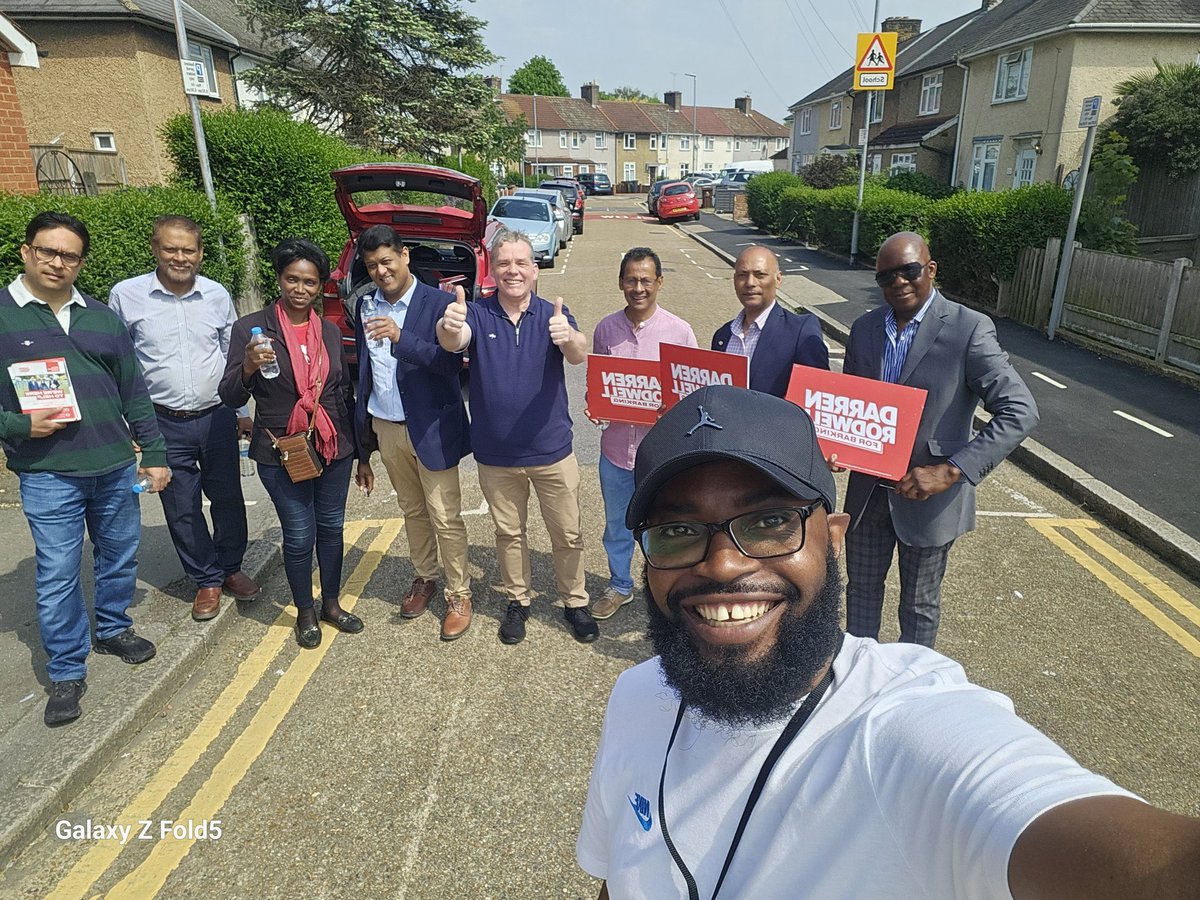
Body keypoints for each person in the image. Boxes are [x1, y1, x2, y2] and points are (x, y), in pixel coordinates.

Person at [577, 385, 1200, 899]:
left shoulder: (904, 729)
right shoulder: (636, 695)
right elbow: (619, 879)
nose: (719, 565)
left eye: (770, 521)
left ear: (836, 537)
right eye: (678, 530)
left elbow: (1121, 855)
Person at [0, 212, 170, 727]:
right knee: (56, 574)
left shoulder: (102, 317)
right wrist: (18, 424)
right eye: (48, 251)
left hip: (115, 464)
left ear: (80, 262)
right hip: (48, 472)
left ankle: (113, 626)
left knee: (120, 553)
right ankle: (67, 669)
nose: (57, 262)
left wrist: (155, 453)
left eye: (69, 255)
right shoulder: (4, 316)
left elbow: (134, 391)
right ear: (26, 252)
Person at [841, 231, 1038, 647]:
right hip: (868, 494)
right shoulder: (863, 329)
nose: (898, 282)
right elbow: (851, 403)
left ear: (930, 270)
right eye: (886, 276)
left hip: (929, 499)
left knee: (919, 605)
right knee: (859, 595)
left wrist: (951, 472)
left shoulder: (969, 329)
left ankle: (913, 695)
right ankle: (858, 684)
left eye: (909, 271)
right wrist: (836, 443)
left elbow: (1020, 411)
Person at [435, 227, 598, 645]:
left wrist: (571, 338)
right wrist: (449, 326)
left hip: (552, 450)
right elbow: (455, 340)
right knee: (509, 534)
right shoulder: (475, 312)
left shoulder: (553, 313)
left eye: (521, 262)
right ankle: (517, 600)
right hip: (496, 454)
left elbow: (579, 353)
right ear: (492, 267)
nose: (513, 270)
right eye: (504, 262)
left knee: (568, 533)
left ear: (535, 267)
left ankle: (574, 601)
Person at [109, 215, 258, 623]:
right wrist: (132, 428)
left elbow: (233, 360)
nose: (180, 257)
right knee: (182, 505)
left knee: (227, 497)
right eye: (171, 249)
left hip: (217, 416)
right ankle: (206, 579)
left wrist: (242, 412)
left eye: (188, 250)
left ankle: (230, 567)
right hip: (162, 421)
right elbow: (119, 366)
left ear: (200, 253)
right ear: (155, 249)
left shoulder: (216, 295)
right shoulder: (126, 296)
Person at [220, 239, 362, 649]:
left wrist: (361, 451)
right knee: (300, 535)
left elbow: (343, 392)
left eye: (310, 282)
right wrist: (247, 365)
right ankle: (306, 611)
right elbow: (229, 395)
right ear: (279, 279)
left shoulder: (331, 332)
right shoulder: (251, 329)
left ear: (320, 287)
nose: (300, 289)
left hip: (333, 448)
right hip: (281, 451)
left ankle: (332, 603)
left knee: (331, 528)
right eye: (292, 279)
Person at [351, 225, 473, 641]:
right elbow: (365, 371)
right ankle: (425, 577)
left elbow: (451, 364)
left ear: (404, 256)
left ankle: (459, 593)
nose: (381, 271)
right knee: (412, 510)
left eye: (387, 261)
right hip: (386, 425)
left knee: (444, 514)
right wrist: (363, 442)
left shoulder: (439, 303)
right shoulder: (364, 305)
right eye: (372, 265)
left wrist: (402, 338)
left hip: (432, 425)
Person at [587, 247, 696, 621]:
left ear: (659, 283)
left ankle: (664, 591)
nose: (638, 287)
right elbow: (597, 385)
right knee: (617, 526)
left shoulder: (680, 332)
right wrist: (594, 404)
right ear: (621, 282)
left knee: (665, 527)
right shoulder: (605, 329)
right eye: (631, 280)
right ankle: (620, 586)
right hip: (616, 451)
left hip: (659, 456)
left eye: (645, 280)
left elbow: (693, 396)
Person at [711, 245, 828, 396]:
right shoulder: (723, 335)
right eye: (742, 275)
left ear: (778, 279)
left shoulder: (801, 332)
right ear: (734, 280)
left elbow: (816, 395)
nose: (750, 283)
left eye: (760, 275)